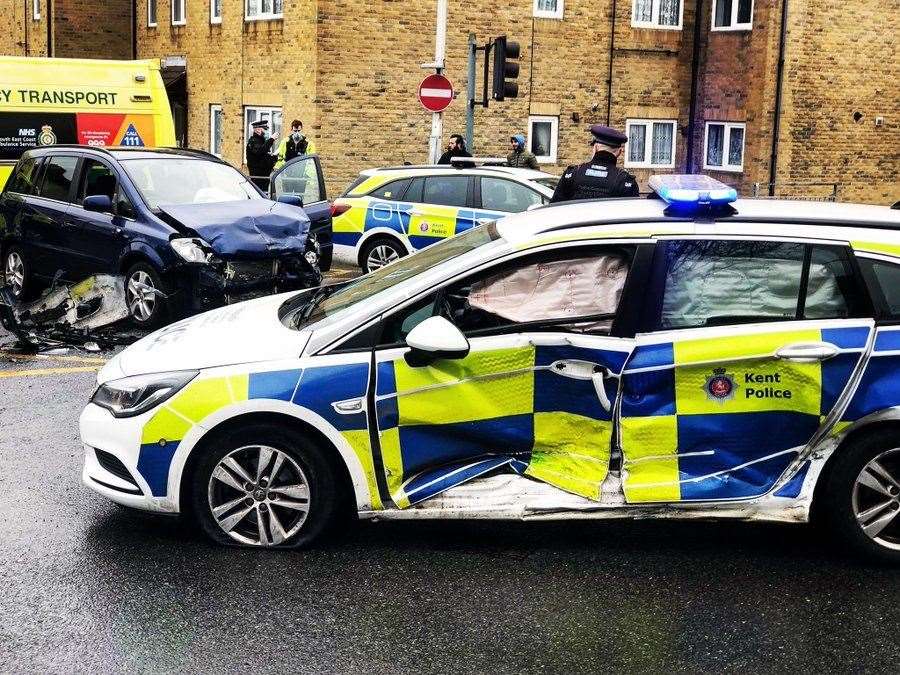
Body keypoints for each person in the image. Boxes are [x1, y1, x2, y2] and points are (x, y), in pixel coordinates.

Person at [550, 124, 639, 203]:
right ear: (619, 152)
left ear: (595, 148)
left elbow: (555, 208)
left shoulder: (572, 173)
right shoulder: (624, 180)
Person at [246, 120, 277, 189]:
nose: (266, 131)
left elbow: (264, 156)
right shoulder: (254, 141)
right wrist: (271, 139)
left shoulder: (261, 141)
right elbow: (260, 151)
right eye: (265, 129)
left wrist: (274, 157)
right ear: (258, 130)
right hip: (258, 177)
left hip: (264, 175)